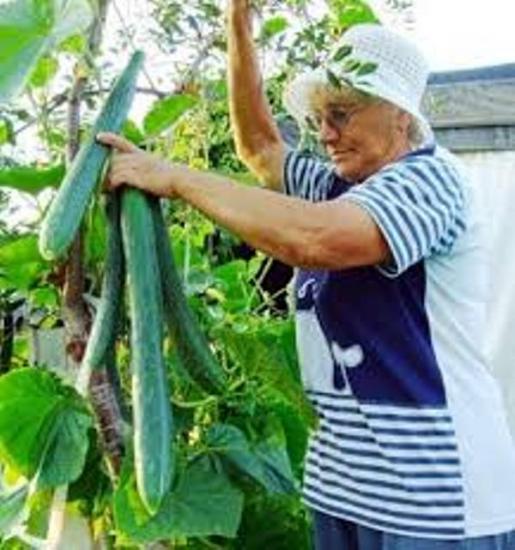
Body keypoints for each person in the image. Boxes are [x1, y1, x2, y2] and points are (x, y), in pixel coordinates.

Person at [97, 1, 515, 548]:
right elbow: (260, 147)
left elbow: (314, 240)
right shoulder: (338, 184)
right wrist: (238, 24)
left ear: (399, 114)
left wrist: (174, 176)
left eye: (341, 114)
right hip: (344, 486)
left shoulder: (430, 180)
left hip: (434, 502)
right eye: (318, 118)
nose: (325, 133)